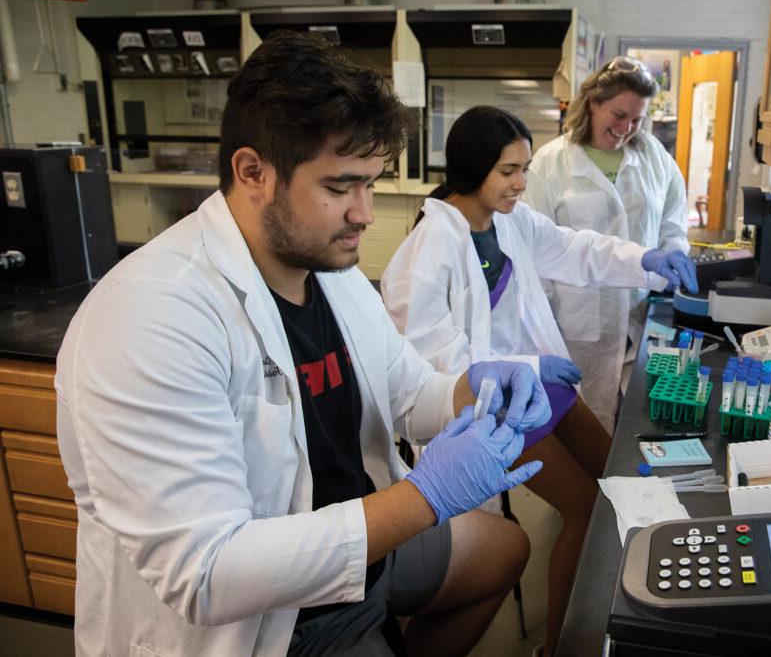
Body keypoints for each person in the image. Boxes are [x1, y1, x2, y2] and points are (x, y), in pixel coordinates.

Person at [55, 32, 554, 657]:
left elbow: (406, 391)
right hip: (267, 616)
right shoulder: (153, 316)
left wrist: (470, 388)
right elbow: (206, 573)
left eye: (371, 184)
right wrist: (425, 498)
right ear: (253, 172)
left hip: (359, 539)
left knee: (504, 548)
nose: (365, 214)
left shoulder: (331, 275)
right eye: (341, 187)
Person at [381, 106, 696, 656]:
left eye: (524, 168)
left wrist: (646, 258)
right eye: (508, 171)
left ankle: (617, 618)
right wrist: (523, 370)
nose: (522, 183)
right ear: (471, 169)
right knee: (584, 508)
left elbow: (574, 248)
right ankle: (562, 646)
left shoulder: (510, 222)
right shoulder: (427, 251)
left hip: (538, 382)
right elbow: (428, 362)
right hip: (494, 406)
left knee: (617, 479)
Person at [523, 55, 698, 433]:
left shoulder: (654, 157)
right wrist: (542, 333)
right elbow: (533, 254)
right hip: (578, 325)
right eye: (618, 115)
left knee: (638, 427)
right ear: (593, 103)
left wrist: (674, 256)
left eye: (636, 119)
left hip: (642, 315)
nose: (626, 128)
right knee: (586, 432)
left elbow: (671, 224)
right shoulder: (550, 164)